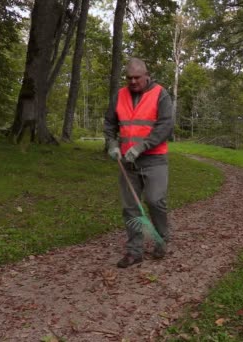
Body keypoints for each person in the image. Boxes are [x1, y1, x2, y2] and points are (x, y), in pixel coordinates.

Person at [104, 57, 174, 268]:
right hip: (127, 162)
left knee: (155, 201)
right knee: (131, 208)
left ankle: (162, 238)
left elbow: (165, 126)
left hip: (154, 160)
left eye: (137, 77)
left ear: (146, 75)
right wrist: (112, 144)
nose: (133, 82)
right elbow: (110, 123)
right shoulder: (119, 95)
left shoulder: (160, 94)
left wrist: (142, 146)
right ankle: (134, 251)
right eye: (129, 78)